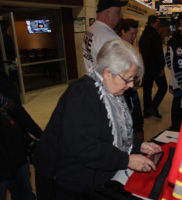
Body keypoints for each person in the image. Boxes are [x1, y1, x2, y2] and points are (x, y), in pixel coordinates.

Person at [34, 39, 162, 200]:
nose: (131, 85)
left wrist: (139, 145)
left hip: (86, 175)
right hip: (63, 178)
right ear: (108, 73)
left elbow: (118, 130)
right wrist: (126, 160)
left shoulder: (111, 90)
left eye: (133, 80)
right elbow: (85, 147)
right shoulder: (82, 95)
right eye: (128, 79)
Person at [0, 49, 42, 200]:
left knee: (25, 194)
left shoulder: (3, 80)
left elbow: (18, 112)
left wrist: (41, 135)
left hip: (17, 154)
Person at [82, 0, 128, 73]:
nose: (121, 16)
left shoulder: (90, 29)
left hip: (92, 80)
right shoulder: (111, 39)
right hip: (105, 83)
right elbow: (122, 71)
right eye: (118, 12)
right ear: (108, 13)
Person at [118, 18, 144, 141]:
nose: (134, 37)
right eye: (131, 34)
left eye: (135, 34)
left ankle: (141, 149)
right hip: (123, 95)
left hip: (133, 92)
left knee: (138, 122)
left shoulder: (131, 47)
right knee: (128, 126)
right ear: (123, 31)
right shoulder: (116, 49)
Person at [139, 15, 167, 119]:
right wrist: (161, 68)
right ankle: (153, 107)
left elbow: (142, 51)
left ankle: (146, 111)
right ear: (153, 23)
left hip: (147, 67)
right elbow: (159, 53)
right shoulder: (155, 35)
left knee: (147, 89)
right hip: (155, 68)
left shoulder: (143, 35)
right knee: (163, 87)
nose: (158, 24)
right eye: (157, 22)